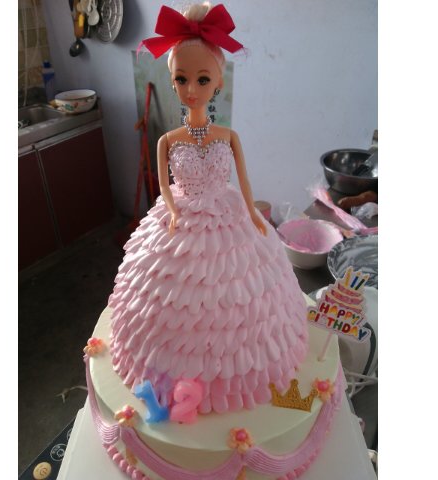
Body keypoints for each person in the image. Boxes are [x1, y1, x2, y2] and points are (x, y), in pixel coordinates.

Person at [108, 2, 308, 415]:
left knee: (237, 299)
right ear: (172, 81)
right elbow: (163, 186)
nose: (191, 89)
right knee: (175, 303)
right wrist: (172, 211)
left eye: (202, 79)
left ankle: (229, 383)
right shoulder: (167, 140)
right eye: (182, 79)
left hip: (228, 217)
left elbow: (245, 183)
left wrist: (253, 214)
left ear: (218, 82)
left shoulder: (227, 136)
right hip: (181, 223)